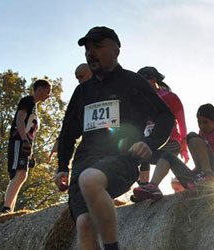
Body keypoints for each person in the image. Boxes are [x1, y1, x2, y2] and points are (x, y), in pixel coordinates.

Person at [53, 26, 174, 250]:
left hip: (121, 159)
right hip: (83, 162)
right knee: (85, 225)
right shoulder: (82, 92)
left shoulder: (132, 82)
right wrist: (62, 166)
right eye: (88, 49)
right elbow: (68, 133)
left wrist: (149, 143)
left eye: (98, 47)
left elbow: (165, 116)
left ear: (116, 51)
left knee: (91, 179)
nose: (91, 53)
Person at [132, 103, 214, 202]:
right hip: (199, 180)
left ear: (213, 121)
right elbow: (199, 162)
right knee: (167, 155)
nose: (202, 126)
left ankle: (208, 175)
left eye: (205, 122)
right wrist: (187, 172)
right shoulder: (201, 134)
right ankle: (153, 187)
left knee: (191, 136)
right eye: (199, 122)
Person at [1, 79, 52, 214]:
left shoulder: (34, 107)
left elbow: (30, 131)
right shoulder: (27, 101)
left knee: (22, 175)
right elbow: (20, 119)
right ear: (40, 89)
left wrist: (31, 151)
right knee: (19, 173)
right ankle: (6, 208)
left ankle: (9, 210)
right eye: (47, 92)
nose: (48, 96)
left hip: (24, 142)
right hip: (18, 141)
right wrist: (23, 140)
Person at [135, 66, 189, 185]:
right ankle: (144, 184)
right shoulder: (141, 100)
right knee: (141, 149)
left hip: (171, 140)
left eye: (144, 82)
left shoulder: (170, 97)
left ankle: (153, 185)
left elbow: (181, 121)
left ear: (154, 80)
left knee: (165, 156)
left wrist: (184, 146)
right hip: (152, 141)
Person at [48, 63, 92, 162]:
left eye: (81, 76)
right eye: (77, 78)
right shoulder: (80, 93)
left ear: (91, 72)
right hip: (89, 149)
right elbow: (70, 123)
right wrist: (60, 140)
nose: (79, 80)